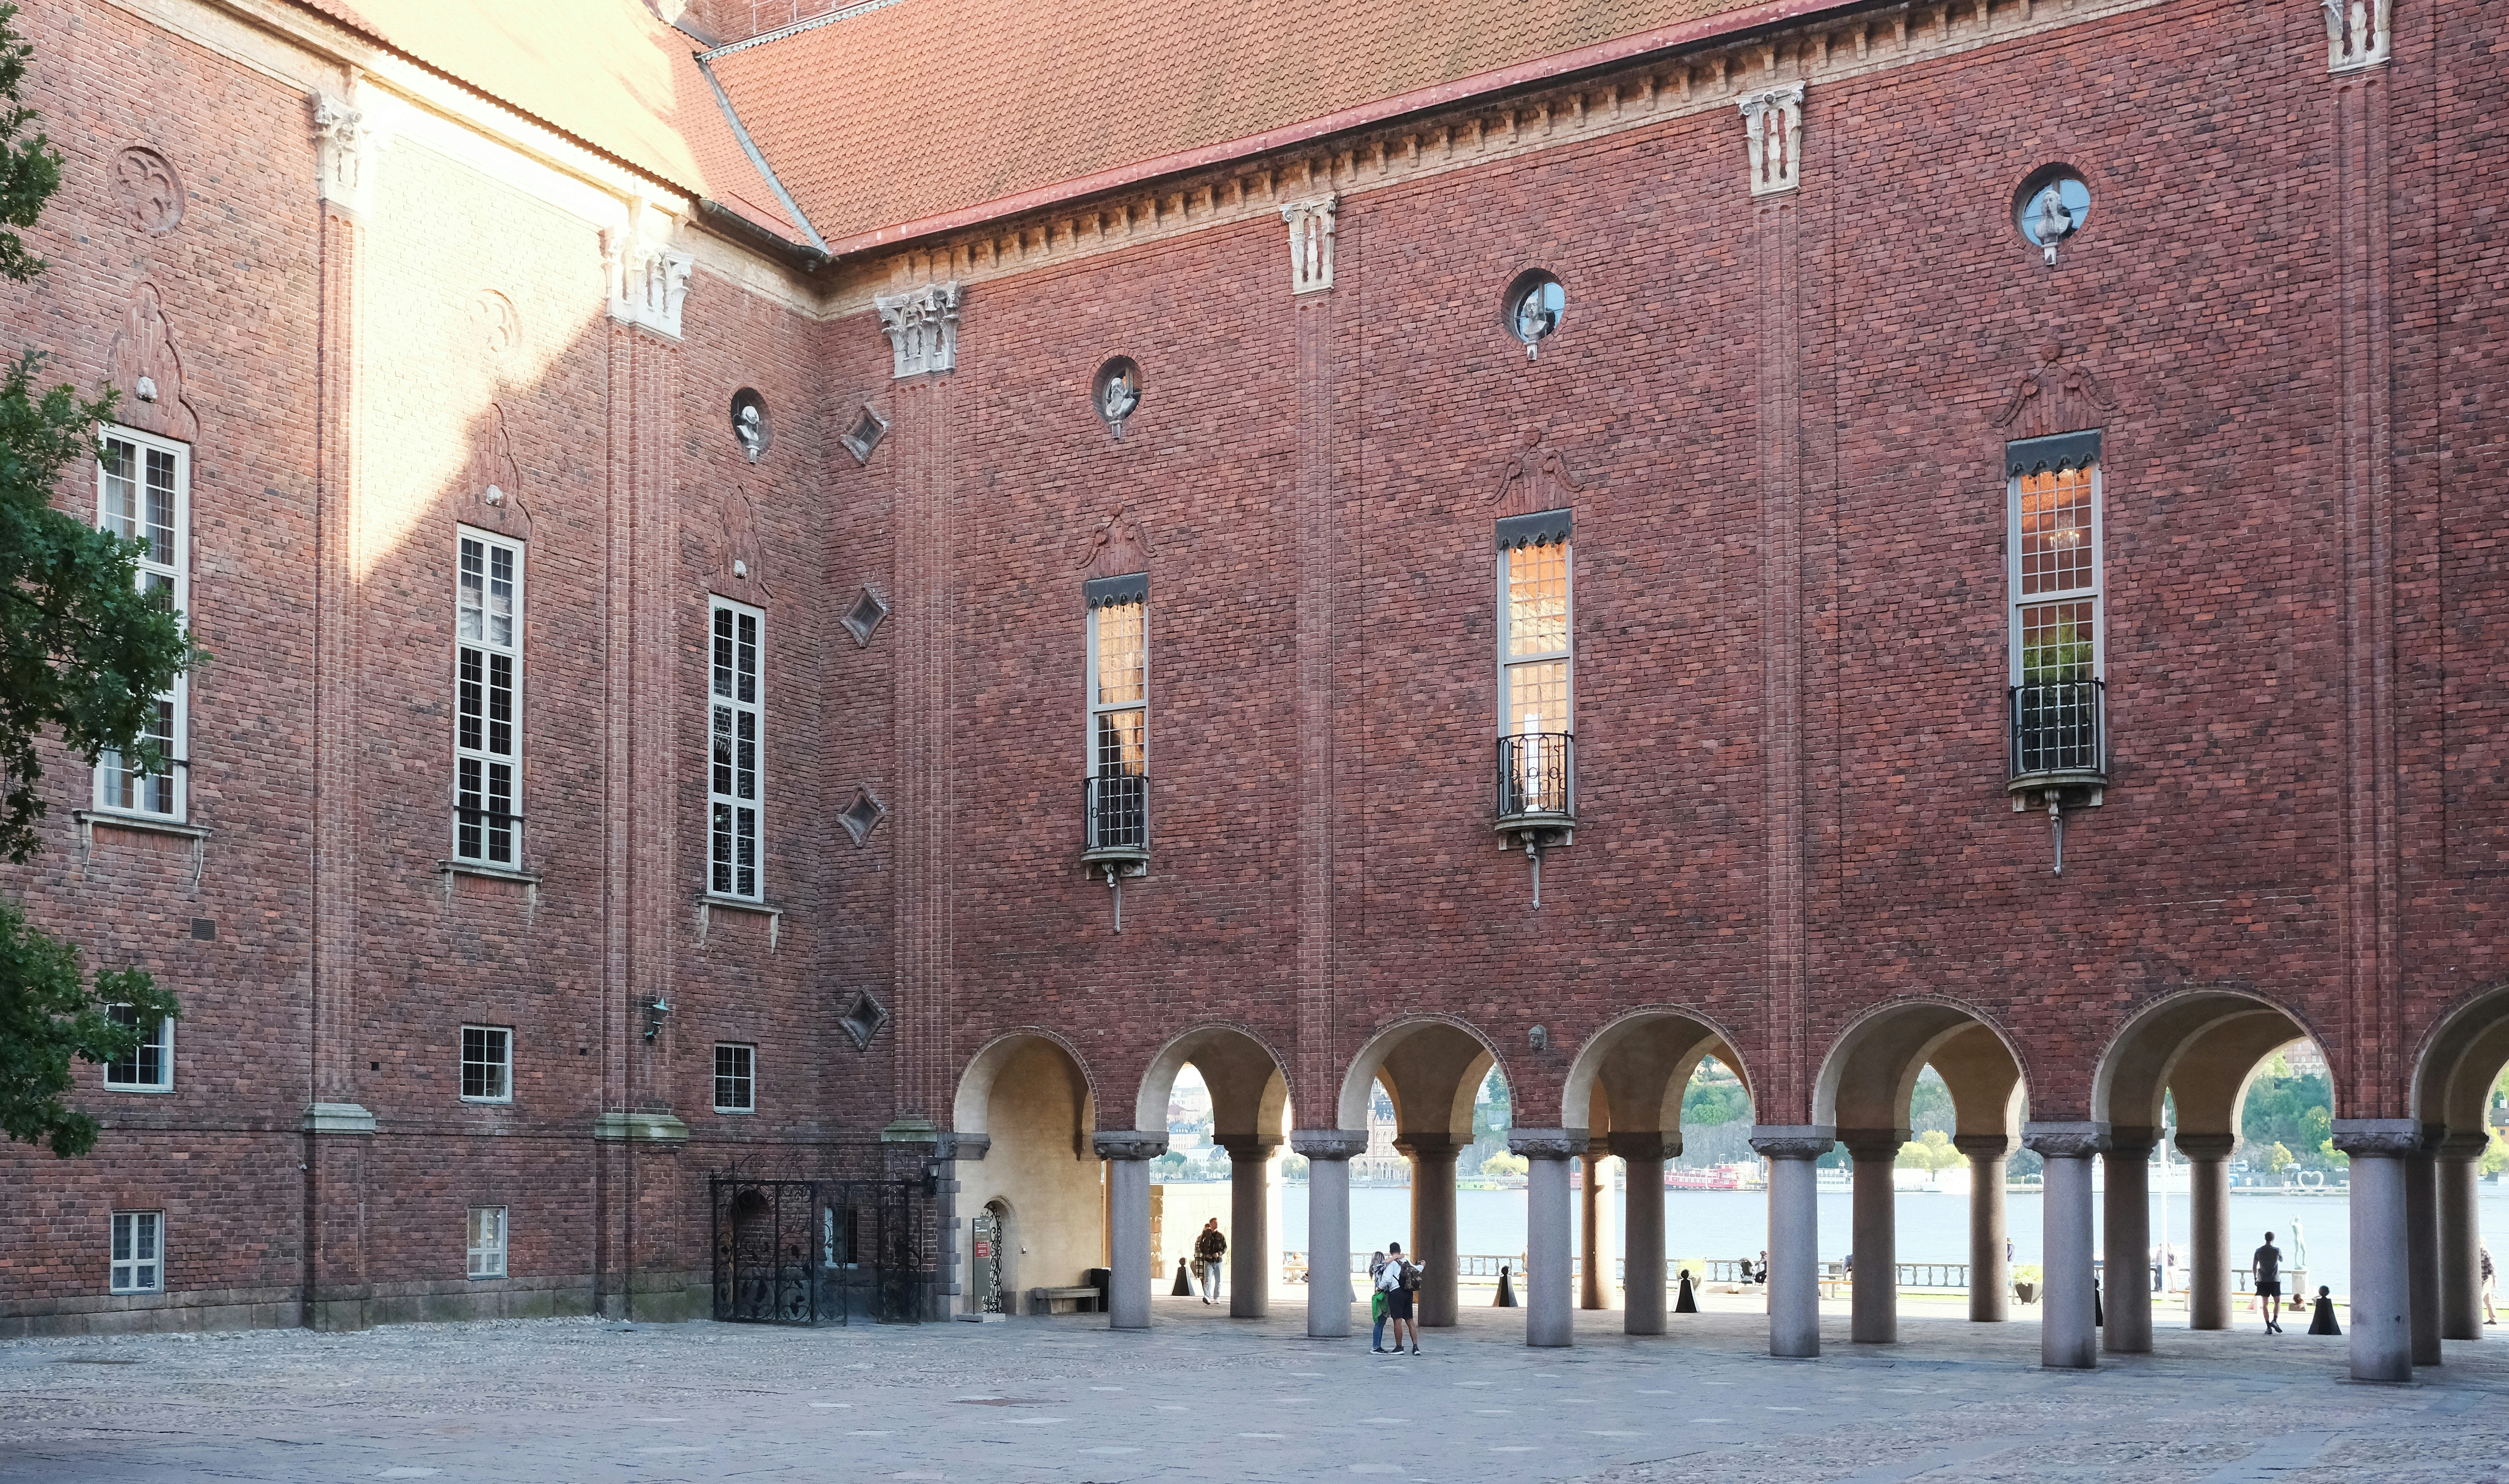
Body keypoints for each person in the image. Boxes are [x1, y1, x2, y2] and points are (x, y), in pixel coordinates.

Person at [1378, 1241, 1421, 1355]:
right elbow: (1417, 1270)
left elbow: (1387, 1280)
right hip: (1408, 1292)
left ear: (1390, 1252)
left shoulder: (1391, 1264)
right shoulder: (1406, 1261)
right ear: (1400, 1251)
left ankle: (1399, 1347)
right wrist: (1423, 1265)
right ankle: (1416, 1348)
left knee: (1398, 1320)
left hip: (1396, 1293)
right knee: (1410, 1320)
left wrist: (1379, 1288)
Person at [2251, 1231, 2284, 1333]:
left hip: (2263, 1280)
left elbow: (2254, 1266)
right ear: (2273, 1239)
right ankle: (2275, 1321)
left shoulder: (2259, 1251)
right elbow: (2282, 1260)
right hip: (2275, 1280)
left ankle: (2268, 1327)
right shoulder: (2277, 1251)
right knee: (2277, 1302)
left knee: (2265, 1304)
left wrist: (2255, 1278)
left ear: (2265, 1238)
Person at [1194, 1219, 1226, 1305]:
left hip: (1218, 1261)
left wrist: (1219, 1254)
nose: (1217, 1224)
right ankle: (1207, 1296)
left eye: (1217, 1222)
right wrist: (1206, 1254)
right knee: (1208, 1279)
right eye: (1215, 1223)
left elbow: (1225, 1248)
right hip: (1208, 1261)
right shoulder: (1206, 1234)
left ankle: (1217, 1297)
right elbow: (1201, 1246)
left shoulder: (1221, 1236)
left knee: (1218, 1280)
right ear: (1211, 1224)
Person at [1368, 1250, 1391, 1352]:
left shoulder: (1379, 1269)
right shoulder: (1376, 1268)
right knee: (1379, 1323)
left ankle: (1378, 1346)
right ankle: (1376, 1346)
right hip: (1381, 1296)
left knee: (1382, 1323)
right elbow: (1385, 1263)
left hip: (1383, 1296)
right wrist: (1397, 1257)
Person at [2481, 1243, 2497, 1326]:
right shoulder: (2480, 1252)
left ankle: (2475, 1319)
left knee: (2479, 1297)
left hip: (2487, 1278)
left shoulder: (2486, 1254)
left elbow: (2493, 1268)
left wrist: (2495, 1279)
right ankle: (2493, 1319)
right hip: (2482, 1278)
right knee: (2488, 1299)